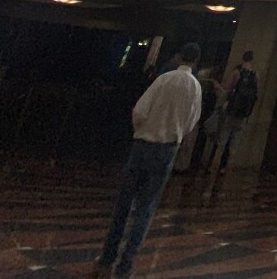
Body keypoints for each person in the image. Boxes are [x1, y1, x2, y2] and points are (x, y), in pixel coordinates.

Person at [95, 41, 201, 278]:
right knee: (146, 209)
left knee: (124, 204)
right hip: (166, 150)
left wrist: (143, 131)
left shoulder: (164, 79)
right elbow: (191, 122)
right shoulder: (195, 86)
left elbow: (140, 111)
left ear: (180, 56)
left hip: (143, 144)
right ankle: (126, 266)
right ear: (195, 61)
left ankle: (106, 259)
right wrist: (175, 135)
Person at [202, 50, 259, 174]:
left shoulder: (237, 73)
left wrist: (217, 87)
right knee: (234, 146)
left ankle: (213, 169)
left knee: (221, 144)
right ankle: (227, 171)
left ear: (243, 58)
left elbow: (226, 91)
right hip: (244, 114)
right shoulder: (255, 75)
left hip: (231, 111)